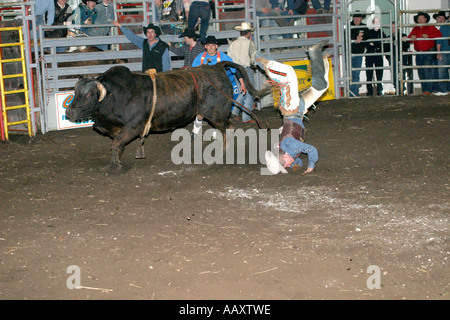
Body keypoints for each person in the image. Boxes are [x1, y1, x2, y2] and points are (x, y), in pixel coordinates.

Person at [260, 40, 329, 174]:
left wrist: (311, 166)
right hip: (298, 109)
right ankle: (314, 52)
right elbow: (296, 160)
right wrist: (295, 164)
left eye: (286, 166)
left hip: (291, 107)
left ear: (285, 159)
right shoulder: (286, 151)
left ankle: (265, 62)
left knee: (289, 74)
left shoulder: (290, 146)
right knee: (321, 87)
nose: (288, 166)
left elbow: (312, 150)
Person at [190, 35, 247, 138]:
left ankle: (217, 132)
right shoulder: (200, 58)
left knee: (220, 111)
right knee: (201, 110)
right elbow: (192, 73)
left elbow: (235, 69)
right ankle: (195, 131)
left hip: (223, 87)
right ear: (205, 46)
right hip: (207, 88)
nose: (211, 47)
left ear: (216, 46)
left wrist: (242, 83)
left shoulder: (224, 57)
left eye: (213, 45)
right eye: (209, 45)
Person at [227, 22, 258, 123]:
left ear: (240, 32)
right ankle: (246, 117)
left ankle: (235, 112)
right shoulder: (250, 43)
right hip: (246, 69)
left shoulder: (233, 44)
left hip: (235, 70)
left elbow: (229, 59)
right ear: (249, 33)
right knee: (250, 93)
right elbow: (253, 59)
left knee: (242, 91)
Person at [408, 12, 442, 95]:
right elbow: (410, 39)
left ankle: (428, 90)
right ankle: (425, 90)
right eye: (419, 18)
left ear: (426, 19)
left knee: (427, 70)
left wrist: (429, 36)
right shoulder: (415, 29)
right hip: (419, 52)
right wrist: (411, 38)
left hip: (428, 52)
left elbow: (439, 35)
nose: (420, 20)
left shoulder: (430, 27)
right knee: (421, 71)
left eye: (422, 18)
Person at [385, 21, 413, 95]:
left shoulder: (402, 36)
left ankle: (401, 88)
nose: (393, 29)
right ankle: (397, 88)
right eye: (392, 27)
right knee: (394, 73)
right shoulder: (389, 37)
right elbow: (386, 49)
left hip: (401, 56)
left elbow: (407, 46)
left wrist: (404, 40)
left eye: (394, 27)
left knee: (402, 72)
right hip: (393, 57)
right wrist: (388, 56)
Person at [349, 11, 369, 97]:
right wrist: (358, 36)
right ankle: (352, 93)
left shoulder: (364, 27)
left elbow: (368, 35)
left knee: (355, 73)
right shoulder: (349, 26)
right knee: (351, 74)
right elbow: (347, 35)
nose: (357, 19)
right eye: (355, 18)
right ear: (353, 18)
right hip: (350, 53)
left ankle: (353, 93)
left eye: (358, 18)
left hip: (358, 53)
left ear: (361, 19)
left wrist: (361, 37)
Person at [365, 17, 387, 96]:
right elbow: (367, 43)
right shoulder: (369, 32)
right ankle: (369, 91)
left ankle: (379, 90)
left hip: (378, 54)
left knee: (379, 73)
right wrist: (376, 44)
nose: (377, 24)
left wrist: (373, 44)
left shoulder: (381, 32)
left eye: (378, 22)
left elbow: (382, 42)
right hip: (370, 55)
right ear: (373, 23)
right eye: (375, 22)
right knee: (369, 74)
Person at [433, 11, 450, 95]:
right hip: (444, 50)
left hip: (444, 50)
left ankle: (446, 90)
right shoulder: (444, 26)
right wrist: (438, 52)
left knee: (442, 70)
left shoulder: (443, 26)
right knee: (442, 70)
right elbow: (439, 40)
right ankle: (444, 90)